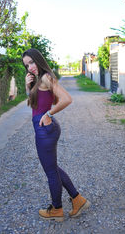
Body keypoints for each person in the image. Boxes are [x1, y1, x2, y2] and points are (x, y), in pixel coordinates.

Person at [22, 48, 90, 222]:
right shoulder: (41, 79)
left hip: (45, 130)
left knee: (51, 172)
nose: (30, 67)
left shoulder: (46, 77)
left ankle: (57, 210)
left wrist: (48, 114)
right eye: (26, 65)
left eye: (31, 62)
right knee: (54, 169)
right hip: (45, 129)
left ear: (38, 59)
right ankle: (77, 199)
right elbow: (34, 104)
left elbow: (67, 99)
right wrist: (27, 86)